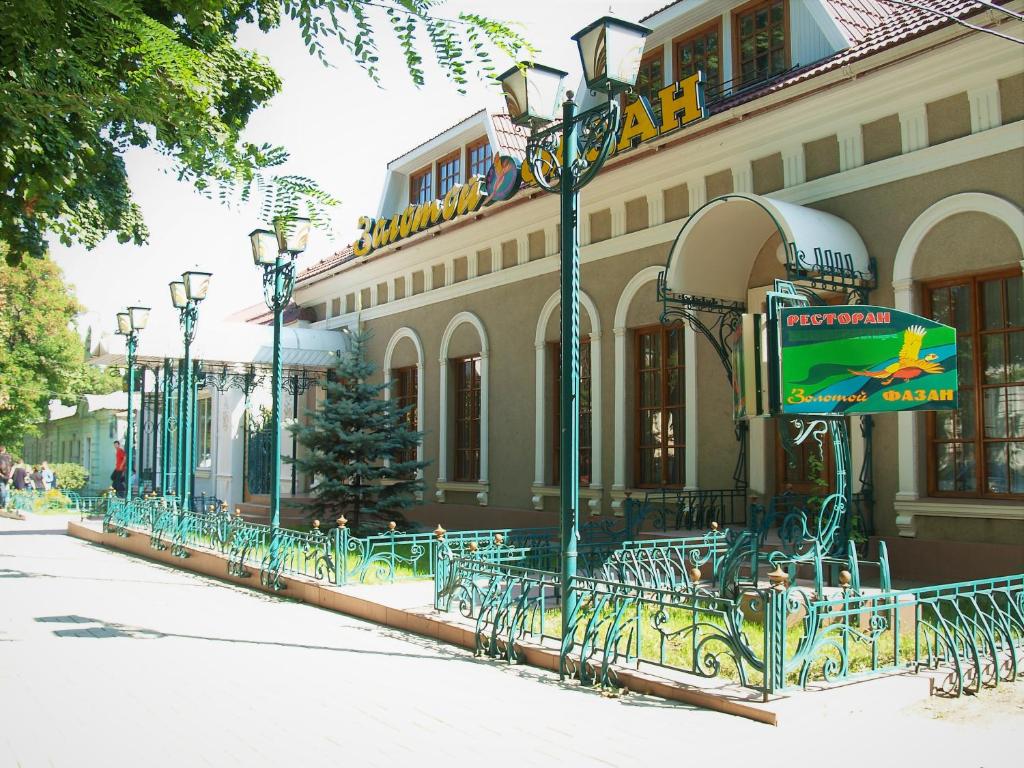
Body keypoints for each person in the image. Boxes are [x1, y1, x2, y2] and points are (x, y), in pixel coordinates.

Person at [0, 445, 12, 509]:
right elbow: (12, 466)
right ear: (5, 450)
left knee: (3, 490)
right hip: (8, 476)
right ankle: (5, 505)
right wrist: (10, 476)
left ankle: (2, 505)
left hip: (1, 476)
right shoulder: (9, 456)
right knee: (6, 490)